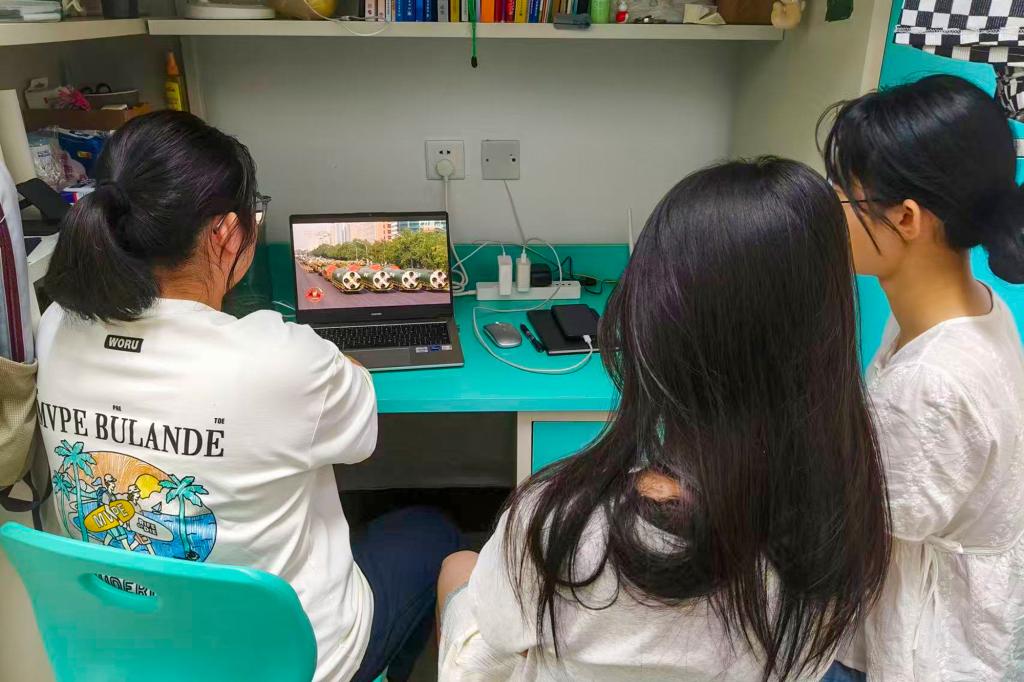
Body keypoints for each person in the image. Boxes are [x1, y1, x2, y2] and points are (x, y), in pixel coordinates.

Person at [36, 110, 460, 682]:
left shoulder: (56, 327)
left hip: (133, 653)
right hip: (294, 663)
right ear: (225, 233)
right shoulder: (282, 359)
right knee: (433, 531)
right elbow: (360, 430)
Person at [436, 158, 892, 681]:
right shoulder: (847, 529)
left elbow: (482, 659)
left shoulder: (558, 524)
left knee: (458, 569)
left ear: (650, 328)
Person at [821, 75, 1024, 681]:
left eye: (842, 194)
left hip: (921, 650)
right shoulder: (971, 309)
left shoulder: (932, 382)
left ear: (906, 217)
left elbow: (875, 522)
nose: (828, 208)